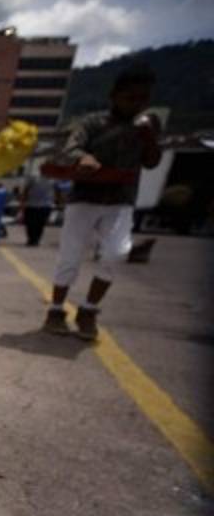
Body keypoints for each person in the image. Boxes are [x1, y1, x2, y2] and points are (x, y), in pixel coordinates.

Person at [44, 65, 161, 340]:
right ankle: (56, 310)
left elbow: (152, 162)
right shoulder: (92, 123)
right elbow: (71, 147)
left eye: (142, 99)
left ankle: (88, 310)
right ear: (114, 95)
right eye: (130, 98)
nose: (136, 104)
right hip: (85, 197)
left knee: (115, 253)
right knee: (70, 256)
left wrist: (149, 139)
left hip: (121, 200)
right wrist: (83, 158)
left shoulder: (147, 126)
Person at [20, 171, 56, 246]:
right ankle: (31, 239)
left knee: (40, 224)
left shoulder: (53, 180)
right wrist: (23, 202)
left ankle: (36, 239)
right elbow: (26, 190)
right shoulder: (34, 178)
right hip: (32, 205)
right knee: (30, 223)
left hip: (45, 205)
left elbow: (57, 192)